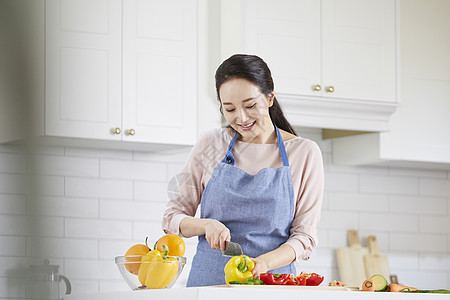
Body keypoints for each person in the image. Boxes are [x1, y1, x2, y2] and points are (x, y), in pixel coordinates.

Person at [162, 54, 324, 287]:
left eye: (250, 105)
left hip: (273, 285)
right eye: (229, 109)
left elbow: (305, 237)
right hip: (209, 286)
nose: (241, 118)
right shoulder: (210, 144)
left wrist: (265, 264)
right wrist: (206, 224)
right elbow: (172, 218)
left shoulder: (304, 153)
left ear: (270, 98)